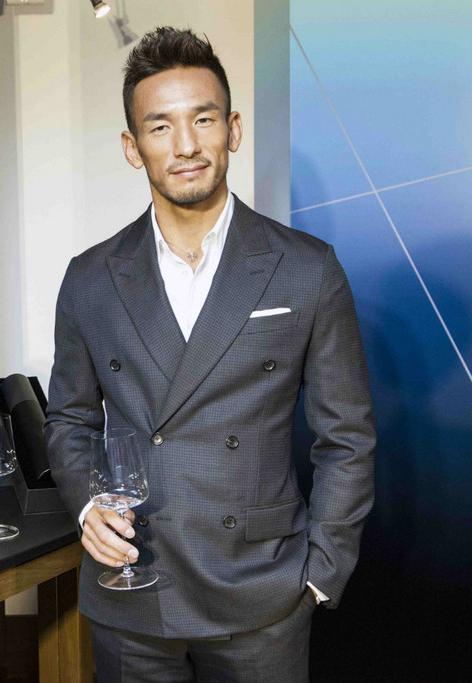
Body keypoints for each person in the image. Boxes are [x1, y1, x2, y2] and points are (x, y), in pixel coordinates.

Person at [43, 26, 375, 682]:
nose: (186, 145)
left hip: (263, 596)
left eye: (203, 119)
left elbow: (347, 438)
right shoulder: (89, 278)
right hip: (133, 588)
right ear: (132, 147)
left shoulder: (307, 269)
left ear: (233, 129)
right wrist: (86, 507)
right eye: (160, 127)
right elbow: (68, 421)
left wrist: (319, 575)